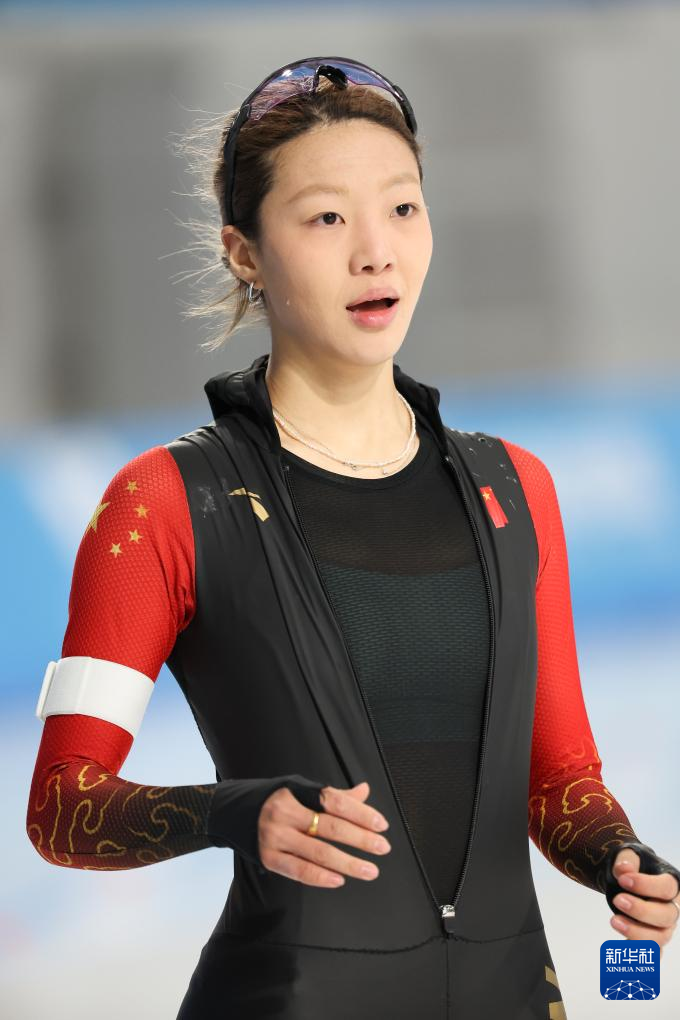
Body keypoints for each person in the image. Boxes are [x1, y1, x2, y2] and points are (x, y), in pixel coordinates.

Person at [26, 56, 679, 1019]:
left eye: (403, 209)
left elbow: (559, 779)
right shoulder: (163, 503)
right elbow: (63, 805)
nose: (377, 251)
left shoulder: (515, 490)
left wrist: (618, 857)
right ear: (244, 252)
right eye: (327, 218)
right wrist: (236, 812)